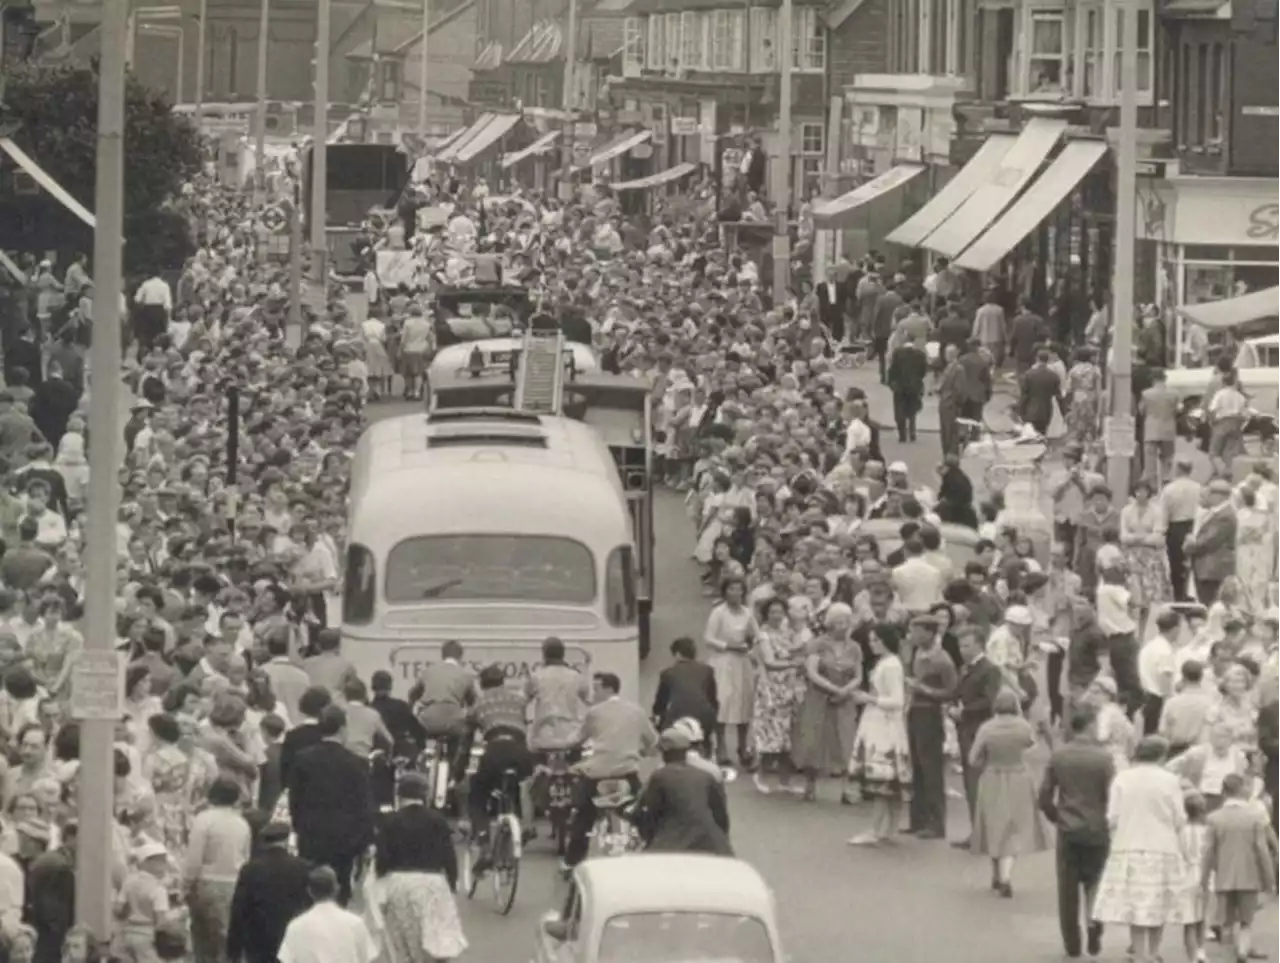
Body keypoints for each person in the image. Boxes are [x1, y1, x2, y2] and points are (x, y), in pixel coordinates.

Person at [1091, 736, 1189, 963]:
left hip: (1129, 844)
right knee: (1158, 902)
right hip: (1162, 846)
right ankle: (1154, 952)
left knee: (1135, 904)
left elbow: (1112, 817)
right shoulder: (1169, 780)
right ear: (1162, 756)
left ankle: (1139, 952)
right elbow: (1179, 817)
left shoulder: (1122, 779)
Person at [1039, 707, 1115, 958]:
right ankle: (1095, 927)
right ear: (1091, 726)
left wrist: (1057, 817)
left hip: (1068, 829)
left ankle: (1072, 944)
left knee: (1068, 891)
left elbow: (1044, 796)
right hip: (1097, 829)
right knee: (1096, 883)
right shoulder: (1103, 758)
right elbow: (1111, 795)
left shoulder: (1060, 756)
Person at [563, 672, 658, 869]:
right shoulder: (637, 711)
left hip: (598, 774)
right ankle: (650, 854)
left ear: (608, 688)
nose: (593, 694)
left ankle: (571, 862)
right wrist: (641, 752)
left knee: (583, 816)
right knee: (642, 814)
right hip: (627, 773)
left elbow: (576, 739)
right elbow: (654, 742)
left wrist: (559, 744)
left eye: (596, 689)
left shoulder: (594, 712)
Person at [288, 705, 377, 905]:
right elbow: (364, 804)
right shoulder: (356, 763)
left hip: (311, 833)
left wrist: (298, 826)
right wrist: (366, 840)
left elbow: (295, 799)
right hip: (345, 837)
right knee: (341, 884)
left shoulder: (303, 759)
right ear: (343, 729)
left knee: (311, 885)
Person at [374, 773, 466, 963]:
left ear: (399, 796)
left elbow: (382, 859)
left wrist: (380, 881)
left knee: (404, 936)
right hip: (432, 881)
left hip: (400, 881)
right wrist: (452, 882)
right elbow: (448, 855)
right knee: (437, 937)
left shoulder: (390, 820)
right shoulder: (437, 820)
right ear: (424, 795)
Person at [967, 690, 1051, 896]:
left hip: (993, 777)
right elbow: (1032, 746)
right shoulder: (1023, 727)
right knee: (1014, 827)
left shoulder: (987, 728)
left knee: (994, 826)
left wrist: (986, 760)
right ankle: (1005, 876)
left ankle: (996, 875)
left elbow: (973, 759)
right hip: (1018, 777)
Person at [464, 665, 534, 876]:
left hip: (494, 750)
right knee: (522, 784)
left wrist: (460, 769)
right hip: (521, 751)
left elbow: (467, 736)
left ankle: (485, 846)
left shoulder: (479, 703)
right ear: (503, 682)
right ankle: (525, 825)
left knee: (477, 794)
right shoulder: (519, 700)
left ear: (482, 685)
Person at [847, 622, 912, 846]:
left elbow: (897, 700)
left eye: (876, 640)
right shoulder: (885, 663)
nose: (872, 644)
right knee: (889, 783)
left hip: (885, 726)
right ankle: (888, 829)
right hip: (878, 722)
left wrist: (869, 699)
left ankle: (876, 830)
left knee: (882, 781)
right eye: (871, 640)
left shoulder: (891, 665)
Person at [1201, 772, 1276, 963]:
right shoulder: (1255, 816)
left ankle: (1228, 955)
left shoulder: (1214, 818)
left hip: (1223, 876)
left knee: (1226, 921)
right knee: (1246, 919)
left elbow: (1208, 851)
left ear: (1224, 793)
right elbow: (1262, 849)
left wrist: (1203, 878)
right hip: (1250, 876)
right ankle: (1243, 950)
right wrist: (1270, 880)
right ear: (1243, 791)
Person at [632, 728, 732, 856]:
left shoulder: (660, 776)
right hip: (712, 845)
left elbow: (650, 813)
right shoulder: (705, 775)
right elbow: (721, 815)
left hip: (674, 845)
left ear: (664, 753)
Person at [184, 776, 252, 963]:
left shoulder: (204, 820)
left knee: (203, 938)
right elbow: (245, 858)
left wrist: (187, 883)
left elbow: (194, 858)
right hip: (234, 884)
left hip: (207, 882)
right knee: (226, 938)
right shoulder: (242, 824)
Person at [950, 627, 1005, 848]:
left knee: (979, 783)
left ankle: (987, 834)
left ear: (980, 645)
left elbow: (990, 701)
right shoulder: (967, 669)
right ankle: (977, 832)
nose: (963, 651)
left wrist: (964, 711)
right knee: (970, 784)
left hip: (979, 731)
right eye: (961, 646)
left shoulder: (989, 670)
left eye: (967, 646)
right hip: (966, 730)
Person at [227, 823, 313, 963]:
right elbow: (308, 905)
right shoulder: (302, 867)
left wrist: (233, 949)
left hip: (258, 937)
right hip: (291, 936)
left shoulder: (250, 869)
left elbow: (239, 908)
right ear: (286, 841)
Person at [906, 614, 958, 839]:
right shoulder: (917, 653)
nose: (913, 635)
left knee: (931, 769)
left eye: (918, 631)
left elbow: (952, 691)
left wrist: (922, 689)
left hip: (929, 713)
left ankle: (936, 823)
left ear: (930, 632)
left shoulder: (942, 660)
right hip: (914, 711)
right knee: (916, 767)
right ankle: (917, 819)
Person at [277, 867, 377, 963]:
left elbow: (287, 958)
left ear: (309, 891)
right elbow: (367, 957)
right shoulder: (355, 924)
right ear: (336, 889)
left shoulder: (295, 926)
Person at [526, 637, 591, 755]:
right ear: (563, 654)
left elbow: (524, 699)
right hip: (570, 736)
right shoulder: (575, 676)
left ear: (544, 654)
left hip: (543, 736)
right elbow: (587, 697)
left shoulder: (536, 676)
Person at [651, 636, 718, 747]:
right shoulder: (707, 670)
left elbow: (660, 703)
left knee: (667, 740)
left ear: (677, 654)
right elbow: (713, 699)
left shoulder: (668, 673)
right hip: (704, 715)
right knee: (705, 740)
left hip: (678, 715)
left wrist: (657, 718)